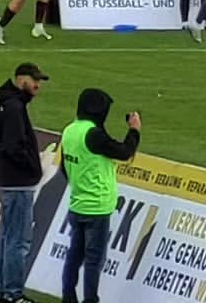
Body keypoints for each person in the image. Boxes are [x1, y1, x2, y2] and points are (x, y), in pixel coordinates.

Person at [59, 88, 141, 303]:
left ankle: (68, 297)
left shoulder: (70, 130)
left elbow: (63, 167)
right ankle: (90, 300)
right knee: (94, 260)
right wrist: (134, 131)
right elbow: (124, 152)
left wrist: (79, 182)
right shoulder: (93, 134)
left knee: (74, 256)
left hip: (77, 203)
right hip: (97, 206)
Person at [0, 61, 50, 303]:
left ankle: (2, 291)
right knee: (18, 241)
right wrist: (31, 167)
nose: (37, 85)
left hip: (8, 180)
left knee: (6, 238)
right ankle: (12, 294)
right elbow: (13, 146)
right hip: (18, 182)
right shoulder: (15, 107)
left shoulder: (9, 104)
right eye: (34, 80)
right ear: (20, 79)